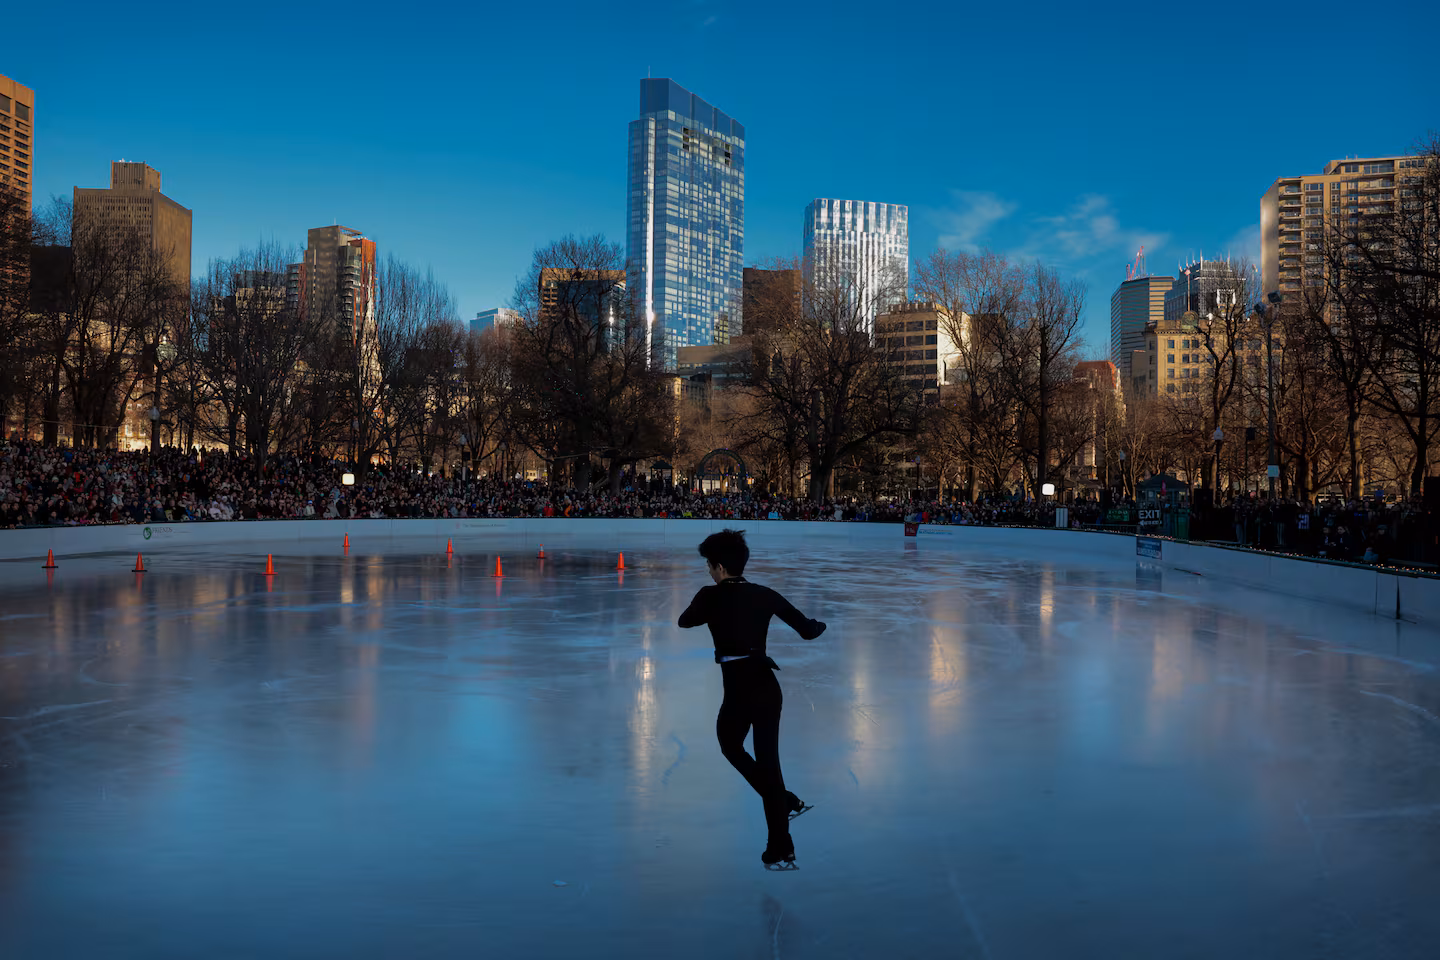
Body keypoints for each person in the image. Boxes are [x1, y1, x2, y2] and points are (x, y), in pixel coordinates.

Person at [677, 529, 826, 869]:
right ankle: (781, 835)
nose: (708, 571)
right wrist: (821, 625)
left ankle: (782, 821)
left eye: (708, 565)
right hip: (767, 687)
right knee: (768, 765)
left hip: (739, 689)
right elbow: (808, 630)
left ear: (719, 567)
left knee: (731, 745)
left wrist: (711, 604)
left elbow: (685, 621)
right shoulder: (764, 594)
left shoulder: (709, 596)